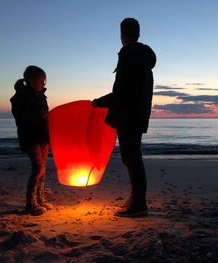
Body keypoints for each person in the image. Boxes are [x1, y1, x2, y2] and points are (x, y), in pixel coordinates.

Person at [92, 18, 156, 217]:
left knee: (131, 158)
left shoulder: (128, 56)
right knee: (133, 157)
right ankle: (138, 200)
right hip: (138, 115)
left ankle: (138, 204)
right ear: (138, 33)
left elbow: (123, 92)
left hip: (128, 116)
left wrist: (98, 102)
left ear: (123, 34)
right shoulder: (144, 59)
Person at [10, 65, 53, 216]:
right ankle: (30, 203)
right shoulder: (20, 97)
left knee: (42, 169)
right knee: (37, 168)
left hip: (42, 136)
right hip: (30, 136)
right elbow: (21, 119)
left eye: (44, 82)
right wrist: (39, 117)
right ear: (30, 81)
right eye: (40, 81)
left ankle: (40, 199)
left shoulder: (41, 95)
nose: (43, 84)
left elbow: (44, 115)